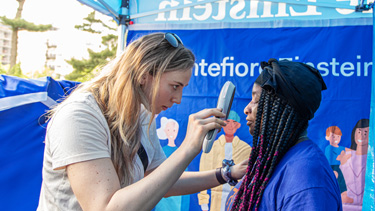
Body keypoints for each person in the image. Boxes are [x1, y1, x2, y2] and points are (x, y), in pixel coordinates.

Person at [37, 32, 247, 211]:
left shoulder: (141, 115)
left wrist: (226, 173)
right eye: (175, 86)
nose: (178, 99)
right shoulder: (80, 117)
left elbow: (162, 181)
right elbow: (106, 207)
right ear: (144, 75)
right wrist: (187, 149)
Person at [226, 59, 342, 211]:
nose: (246, 109)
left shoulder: (307, 181)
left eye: (257, 100)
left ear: (279, 108)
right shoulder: (270, 160)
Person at [198, 110, 251, 211]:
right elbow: (203, 173)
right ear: (222, 125)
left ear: (238, 125)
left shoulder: (246, 149)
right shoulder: (212, 147)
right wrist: (204, 202)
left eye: (234, 122)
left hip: (238, 200)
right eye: (227, 122)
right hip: (216, 200)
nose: (230, 126)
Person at [338, 119, 369, 210]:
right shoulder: (346, 155)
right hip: (345, 204)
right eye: (359, 132)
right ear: (354, 133)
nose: (361, 135)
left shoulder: (371, 158)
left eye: (365, 132)